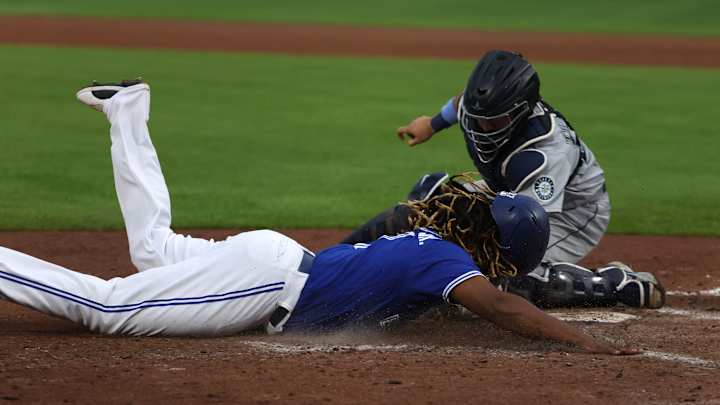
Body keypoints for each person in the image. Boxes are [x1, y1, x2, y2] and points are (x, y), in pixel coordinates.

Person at [0, 80, 634, 355]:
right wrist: (585, 341)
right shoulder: (445, 262)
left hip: (276, 260)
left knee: (152, 248)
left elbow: (480, 298)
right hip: (268, 284)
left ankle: (128, 111)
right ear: (499, 251)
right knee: (108, 308)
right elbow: (502, 308)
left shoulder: (433, 248)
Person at [343, 49, 665, 309]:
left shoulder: (544, 155)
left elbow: (529, 232)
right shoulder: (481, 106)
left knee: (510, 281)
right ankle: (336, 260)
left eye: (494, 122)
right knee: (424, 208)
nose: (484, 128)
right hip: (509, 192)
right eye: (480, 119)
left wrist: (476, 251)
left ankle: (614, 283)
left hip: (570, 212)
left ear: (520, 111)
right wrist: (431, 124)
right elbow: (462, 104)